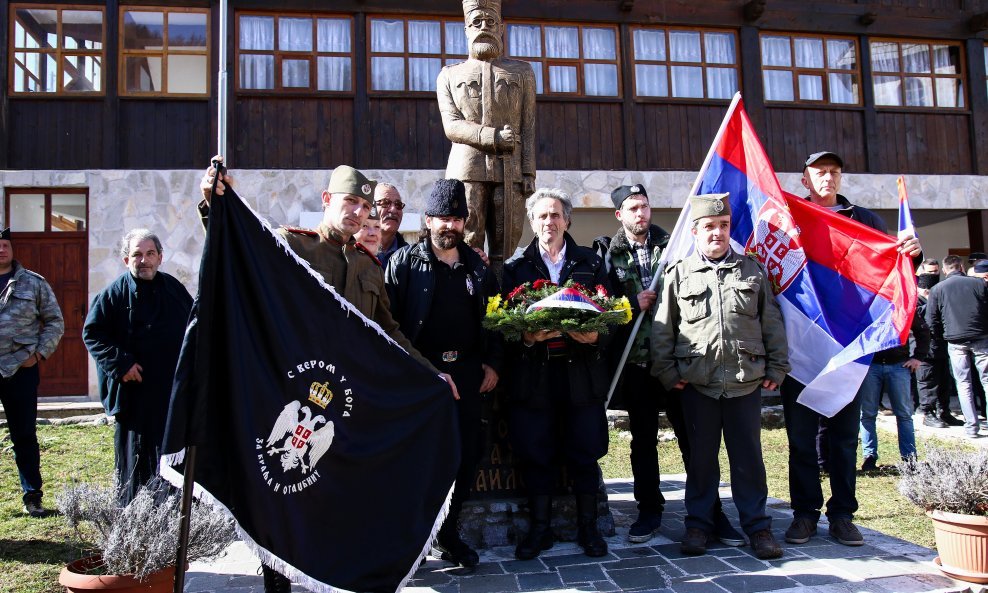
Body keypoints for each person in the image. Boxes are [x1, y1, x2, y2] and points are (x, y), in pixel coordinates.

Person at [200, 160, 458, 593]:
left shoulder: (368, 266)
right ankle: (277, 577)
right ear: (327, 201)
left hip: (344, 400)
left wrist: (431, 375)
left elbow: (388, 332)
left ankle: (336, 570)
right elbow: (238, 251)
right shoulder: (291, 246)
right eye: (349, 202)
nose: (357, 213)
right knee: (283, 489)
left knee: (337, 488)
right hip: (290, 392)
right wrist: (214, 204)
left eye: (363, 206)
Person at [782, 151, 922, 548]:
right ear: (805, 179)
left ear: (840, 177)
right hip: (801, 345)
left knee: (844, 437)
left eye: (833, 171)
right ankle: (804, 514)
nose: (827, 177)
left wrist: (911, 254)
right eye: (819, 172)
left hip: (850, 349)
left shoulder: (866, 220)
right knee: (801, 439)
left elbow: (892, 270)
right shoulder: (790, 218)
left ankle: (842, 514)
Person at [599, 184, 743, 547]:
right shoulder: (606, 254)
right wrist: (632, 303)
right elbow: (600, 307)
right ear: (620, 215)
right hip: (637, 365)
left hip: (678, 362)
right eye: (632, 208)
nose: (640, 213)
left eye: (644, 206)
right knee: (643, 441)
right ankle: (649, 510)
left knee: (696, 439)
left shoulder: (675, 245)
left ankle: (712, 511)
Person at [651, 194, 789, 560]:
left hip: (745, 382)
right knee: (701, 461)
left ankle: (758, 527)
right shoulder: (678, 273)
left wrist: (777, 367)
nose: (717, 233)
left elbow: (771, 322)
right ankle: (699, 525)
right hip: (699, 384)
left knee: (748, 460)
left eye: (723, 226)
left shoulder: (752, 270)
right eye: (709, 227)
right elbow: (663, 329)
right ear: (695, 231)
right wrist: (667, 373)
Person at [385, 178, 501, 569]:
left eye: (456, 218)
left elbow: (498, 320)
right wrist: (418, 373)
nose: (448, 225)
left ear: (464, 221)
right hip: (423, 379)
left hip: (468, 376)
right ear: (428, 220)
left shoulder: (477, 267)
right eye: (441, 218)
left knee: (466, 457)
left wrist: (493, 362)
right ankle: (413, 541)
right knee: (421, 462)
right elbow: (389, 327)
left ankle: (449, 533)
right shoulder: (404, 263)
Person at [502, 188, 611, 560]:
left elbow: (614, 319)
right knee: (537, 454)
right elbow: (502, 329)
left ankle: (589, 528)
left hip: (580, 376)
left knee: (584, 453)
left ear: (567, 220)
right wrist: (527, 337)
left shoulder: (592, 264)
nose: (549, 222)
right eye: (542, 216)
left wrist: (596, 336)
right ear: (532, 222)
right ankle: (540, 530)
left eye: (556, 215)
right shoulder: (515, 270)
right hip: (535, 379)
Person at [83, 229, 193, 504]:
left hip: (169, 392)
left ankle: (173, 512)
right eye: (137, 255)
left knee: (171, 455)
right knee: (135, 460)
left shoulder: (174, 289)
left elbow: (194, 328)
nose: (143, 260)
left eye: (150, 254)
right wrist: (121, 364)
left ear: (160, 257)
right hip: (135, 394)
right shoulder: (114, 294)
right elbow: (93, 334)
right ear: (126, 260)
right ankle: (134, 515)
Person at [437, 0, 537, 271]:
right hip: (466, 168)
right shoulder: (449, 75)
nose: (484, 27)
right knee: (468, 237)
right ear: (466, 29)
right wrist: (491, 136)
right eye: (477, 22)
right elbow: (452, 126)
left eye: (491, 22)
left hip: (511, 168)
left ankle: (502, 302)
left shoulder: (522, 72)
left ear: (501, 28)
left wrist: (528, 172)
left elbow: (528, 124)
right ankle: (469, 295)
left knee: (507, 240)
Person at [0, 227, 64, 517]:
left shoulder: (33, 283)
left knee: (24, 435)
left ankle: (32, 497)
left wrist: (38, 353)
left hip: (20, 371)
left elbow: (55, 321)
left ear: (12, 250)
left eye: (5, 245)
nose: (1, 250)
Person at [858, 299, 929, 469]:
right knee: (867, 413)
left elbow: (923, 331)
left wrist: (918, 357)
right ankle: (869, 456)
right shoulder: (868, 303)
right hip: (872, 365)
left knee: (903, 413)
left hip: (898, 365)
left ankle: (909, 458)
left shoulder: (902, 305)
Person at [926, 255, 988, 438]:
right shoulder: (979, 284)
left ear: (945, 270)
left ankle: (971, 427)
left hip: (955, 341)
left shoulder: (937, 289)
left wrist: (941, 337)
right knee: (987, 380)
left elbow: (931, 320)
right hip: (981, 337)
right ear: (961, 266)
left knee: (963, 383)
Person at [916, 273, 962, 428]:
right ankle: (928, 413)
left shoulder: (938, 299)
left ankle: (944, 412)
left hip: (941, 346)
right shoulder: (915, 300)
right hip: (924, 349)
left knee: (944, 382)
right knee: (927, 382)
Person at [374, 183, 407, 265]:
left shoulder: (411, 258)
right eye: (385, 203)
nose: (393, 210)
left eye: (398, 205)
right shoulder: (352, 251)